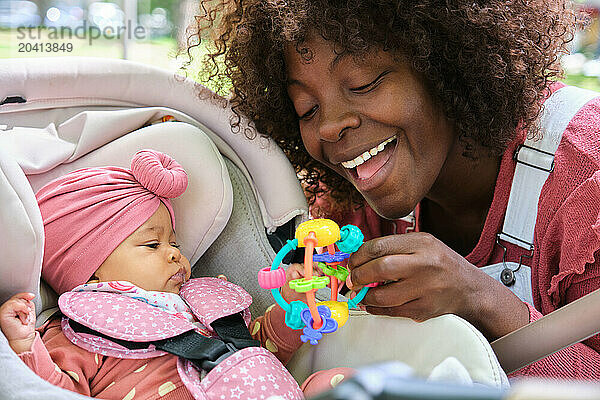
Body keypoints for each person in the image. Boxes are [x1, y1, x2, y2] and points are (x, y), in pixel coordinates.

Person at [188, 0, 600, 379]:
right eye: (307, 109)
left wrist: (481, 299)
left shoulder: (584, 182)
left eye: (364, 83)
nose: (329, 126)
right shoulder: (349, 208)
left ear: (444, 64)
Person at [0, 149, 353, 399]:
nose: (175, 253)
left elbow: (255, 354)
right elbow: (55, 391)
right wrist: (24, 347)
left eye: (175, 242)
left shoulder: (204, 308)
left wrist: (290, 310)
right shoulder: (79, 330)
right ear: (91, 273)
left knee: (341, 385)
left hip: (265, 389)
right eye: (152, 245)